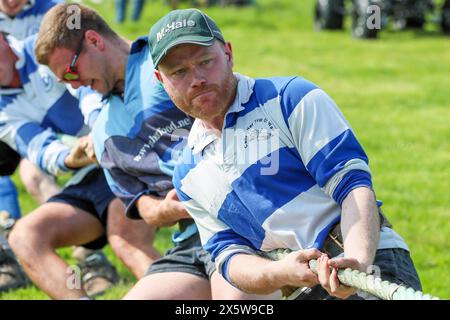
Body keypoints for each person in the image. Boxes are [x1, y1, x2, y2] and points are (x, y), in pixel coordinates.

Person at [148, 8, 423, 300]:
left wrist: (356, 260)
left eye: (206, 61)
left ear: (228, 53)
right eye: (179, 72)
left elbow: (353, 187)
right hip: (297, 291)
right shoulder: (187, 174)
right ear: (160, 80)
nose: (197, 79)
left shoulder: (289, 98)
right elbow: (229, 257)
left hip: (367, 263)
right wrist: (282, 273)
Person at [35, 3, 279, 300]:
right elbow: (141, 206)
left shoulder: (166, 60)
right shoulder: (104, 133)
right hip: (190, 242)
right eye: (64, 82)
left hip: (242, 223)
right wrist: (165, 209)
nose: (75, 85)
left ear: (94, 41)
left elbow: (242, 116)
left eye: (71, 72)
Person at [0, 33, 160, 299]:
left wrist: (98, 129)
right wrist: (73, 156)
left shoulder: (39, 49)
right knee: (23, 237)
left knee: (126, 240)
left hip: (123, 158)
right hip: (84, 174)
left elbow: (87, 84)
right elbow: (40, 150)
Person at [0, 0, 64, 227]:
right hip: (9, 111)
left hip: (50, 106)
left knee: (35, 177)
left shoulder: (56, 9)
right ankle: (9, 227)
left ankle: (85, 248)